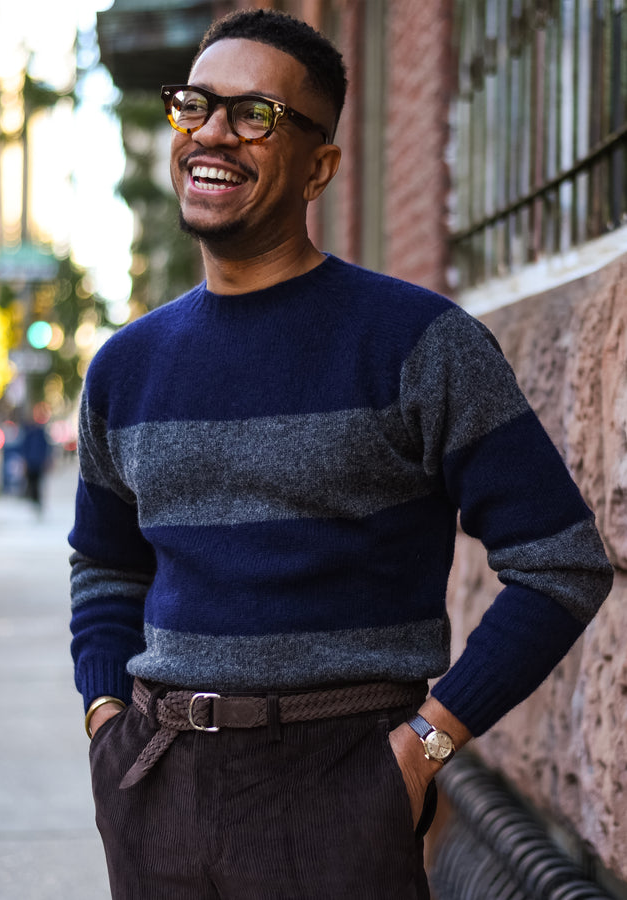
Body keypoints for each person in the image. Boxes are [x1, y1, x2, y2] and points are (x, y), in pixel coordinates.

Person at [68, 9, 613, 899]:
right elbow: (104, 566)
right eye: (196, 105)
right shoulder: (124, 367)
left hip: (341, 786)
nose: (213, 132)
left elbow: (561, 563)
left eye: (255, 114)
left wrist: (424, 747)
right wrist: (105, 719)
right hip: (157, 782)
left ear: (320, 167)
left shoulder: (417, 343)